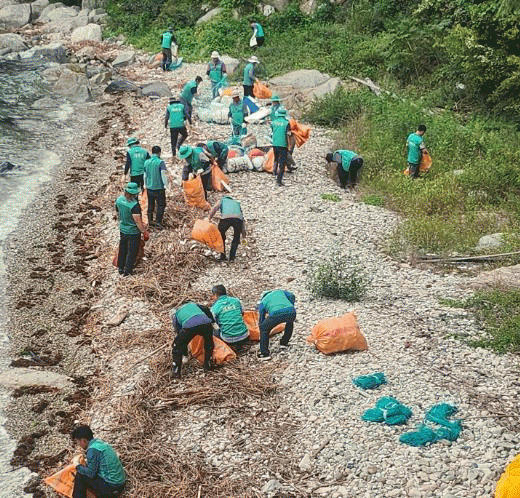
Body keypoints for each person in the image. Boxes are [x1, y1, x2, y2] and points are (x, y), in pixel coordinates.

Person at [71, 425, 126, 498]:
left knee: (80, 475)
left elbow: (91, 473)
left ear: (84, 440)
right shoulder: (99, 443)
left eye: (78, 441)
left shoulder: (92, 450)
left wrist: (77, 465)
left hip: (112, 487)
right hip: (120, 484)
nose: (79, 444)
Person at [171, 301, 215, 378]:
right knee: (209, 343)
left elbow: (179, 334)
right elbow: (206, 309)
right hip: (206, 323)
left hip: (190, 326)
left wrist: (185, 353)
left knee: (177, 346)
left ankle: (176, 372)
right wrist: (213, 321)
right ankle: (208, 364)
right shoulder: (194, 304)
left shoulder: (177, 313)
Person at [115, 182, 148, 276]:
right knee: (132, 251)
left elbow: (117, 212)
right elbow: (137, 222)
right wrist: (144, 231)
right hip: (133, 232)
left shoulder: (119, 200)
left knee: (123, 248)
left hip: (123, 229)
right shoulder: (134, 206)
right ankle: (128, 271)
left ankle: (120, 268)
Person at [257, 289, 296, 360]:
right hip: (291, 311)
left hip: (276, 313)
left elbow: (262, 318)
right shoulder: (280, 291)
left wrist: (261, 329)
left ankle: (264, 353)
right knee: (289, 322)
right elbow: (292, 296)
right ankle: (284, 343)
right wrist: (291, 305)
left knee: (264, 328)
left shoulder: (263, 301)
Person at [208, 195, 245, 262]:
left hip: (225, 219)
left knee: (220, 235)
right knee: (236, 237)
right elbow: (242, 218)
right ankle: (232, 257)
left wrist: (209, 218)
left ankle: (223, 255)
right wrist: (243, 233)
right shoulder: (236, 202)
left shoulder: (222, 200)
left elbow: (215, 208)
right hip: (238, 219)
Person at [144, 146, 168, 230]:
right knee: (161, 205)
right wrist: (166, 185)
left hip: (149, 188)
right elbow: (163, 174)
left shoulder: (146, 162)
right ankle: (158, 222)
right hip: (159, 188)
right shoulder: (161, 162)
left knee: (150, 205)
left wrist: (145, 185)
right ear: (159, 152)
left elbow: (145, 175)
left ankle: (150, 221)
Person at [271, 108, 291, 186]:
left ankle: (274, 172)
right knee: (282, 163)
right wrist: (289, 146)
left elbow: (272, 131)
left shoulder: (273, 122)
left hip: (275, 143)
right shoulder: (286, 123)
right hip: (283, 144)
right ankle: (279, 181)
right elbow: (288, 135)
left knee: (276, 159)